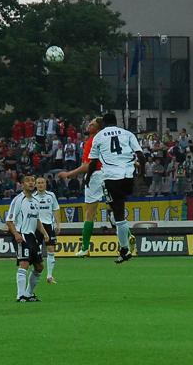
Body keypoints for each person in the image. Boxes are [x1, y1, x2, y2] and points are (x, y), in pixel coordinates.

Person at [85, 113, 145, 264]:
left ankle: (124, 249)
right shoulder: (127, 133)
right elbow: (140, 155)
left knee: (117, 214)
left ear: (103, 123)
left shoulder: (99, 137)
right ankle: (124, 247)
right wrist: (141, 174)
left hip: (112, 177)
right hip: (128, 176)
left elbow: (93, 162)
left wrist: (88, 177)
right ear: (116, 121)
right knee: (117, 210)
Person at [58, 117, 105, 257]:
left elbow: (87, 166)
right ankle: (127, 241)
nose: (89, 125)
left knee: (89, 213)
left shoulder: (92, 141)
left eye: (92, 124)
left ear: (97, 128)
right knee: (115, 210)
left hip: (95, 176)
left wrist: (69, 174)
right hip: (109, 175)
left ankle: (85, 248)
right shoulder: (104, 140)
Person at [6, 174, 49, 302]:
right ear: (22, 184)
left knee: (39, 266)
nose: (31, 183)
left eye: (32, 181)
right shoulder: (18, 200)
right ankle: (20, 295)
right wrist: (16, 234)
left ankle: (29, 293)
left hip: (32, 236)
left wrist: (45, 233)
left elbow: (37, 220)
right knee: (24, 263)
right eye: (27, 181)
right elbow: (9, 220)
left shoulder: (35, 201)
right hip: (22, 235)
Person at [34, 177, 61, 284]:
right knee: (37, 250)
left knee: (51, 249)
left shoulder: (51, 195)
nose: (40, 185)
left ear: (45, 184)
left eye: (42, 183)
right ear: (35, 185)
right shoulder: (32, 197)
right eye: (38, 183)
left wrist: (58, 224)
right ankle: (36, 272)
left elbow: (56, 209)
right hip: (36, 226)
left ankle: (49, 276)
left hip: (49, 225)